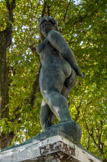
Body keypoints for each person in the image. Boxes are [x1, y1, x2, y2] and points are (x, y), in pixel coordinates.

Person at [36, 16, 84, 131]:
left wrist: (76, 67)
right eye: (42, 27)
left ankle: (66, 121)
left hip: (54, 66)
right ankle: (48, 132)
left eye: (47, 25)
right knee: (44, 116)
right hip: (60, 69)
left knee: (49, 93)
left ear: (54, 26)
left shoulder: (52, 34)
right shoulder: (48, 38)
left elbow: (65, 49)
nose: (44, 28)